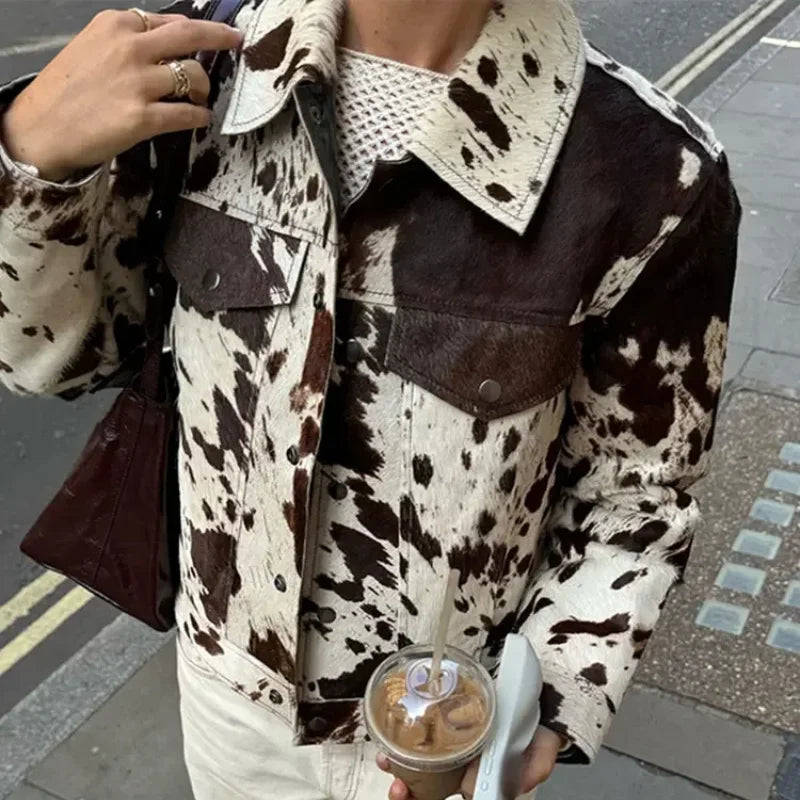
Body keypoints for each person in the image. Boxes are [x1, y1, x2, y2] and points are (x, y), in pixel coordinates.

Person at [0, 0, 740, 797]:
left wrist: (552, 697)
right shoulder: (191, 73)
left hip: (454, 735)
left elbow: (636, 494)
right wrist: (33, 163)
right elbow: (49, 363)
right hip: (225, 701)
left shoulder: (654, 171)